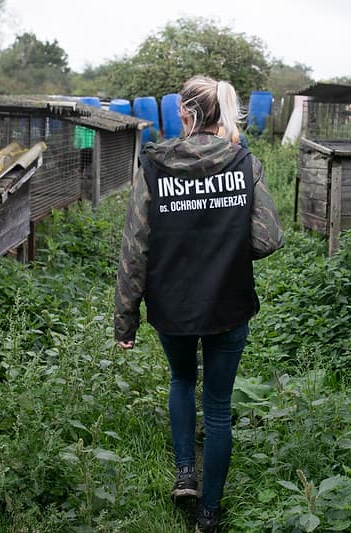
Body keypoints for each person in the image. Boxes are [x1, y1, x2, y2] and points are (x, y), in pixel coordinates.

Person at [114, 75, 284, 532]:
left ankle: (185, 472)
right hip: (229, 303)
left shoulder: (154, 166)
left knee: (182, 379)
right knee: (219, 407)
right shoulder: (244, 163)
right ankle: (209, 515)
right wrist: (225, 247)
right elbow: (268, 237)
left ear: (185, 114)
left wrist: (125, 320)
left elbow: (135, 248)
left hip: (171, 306)